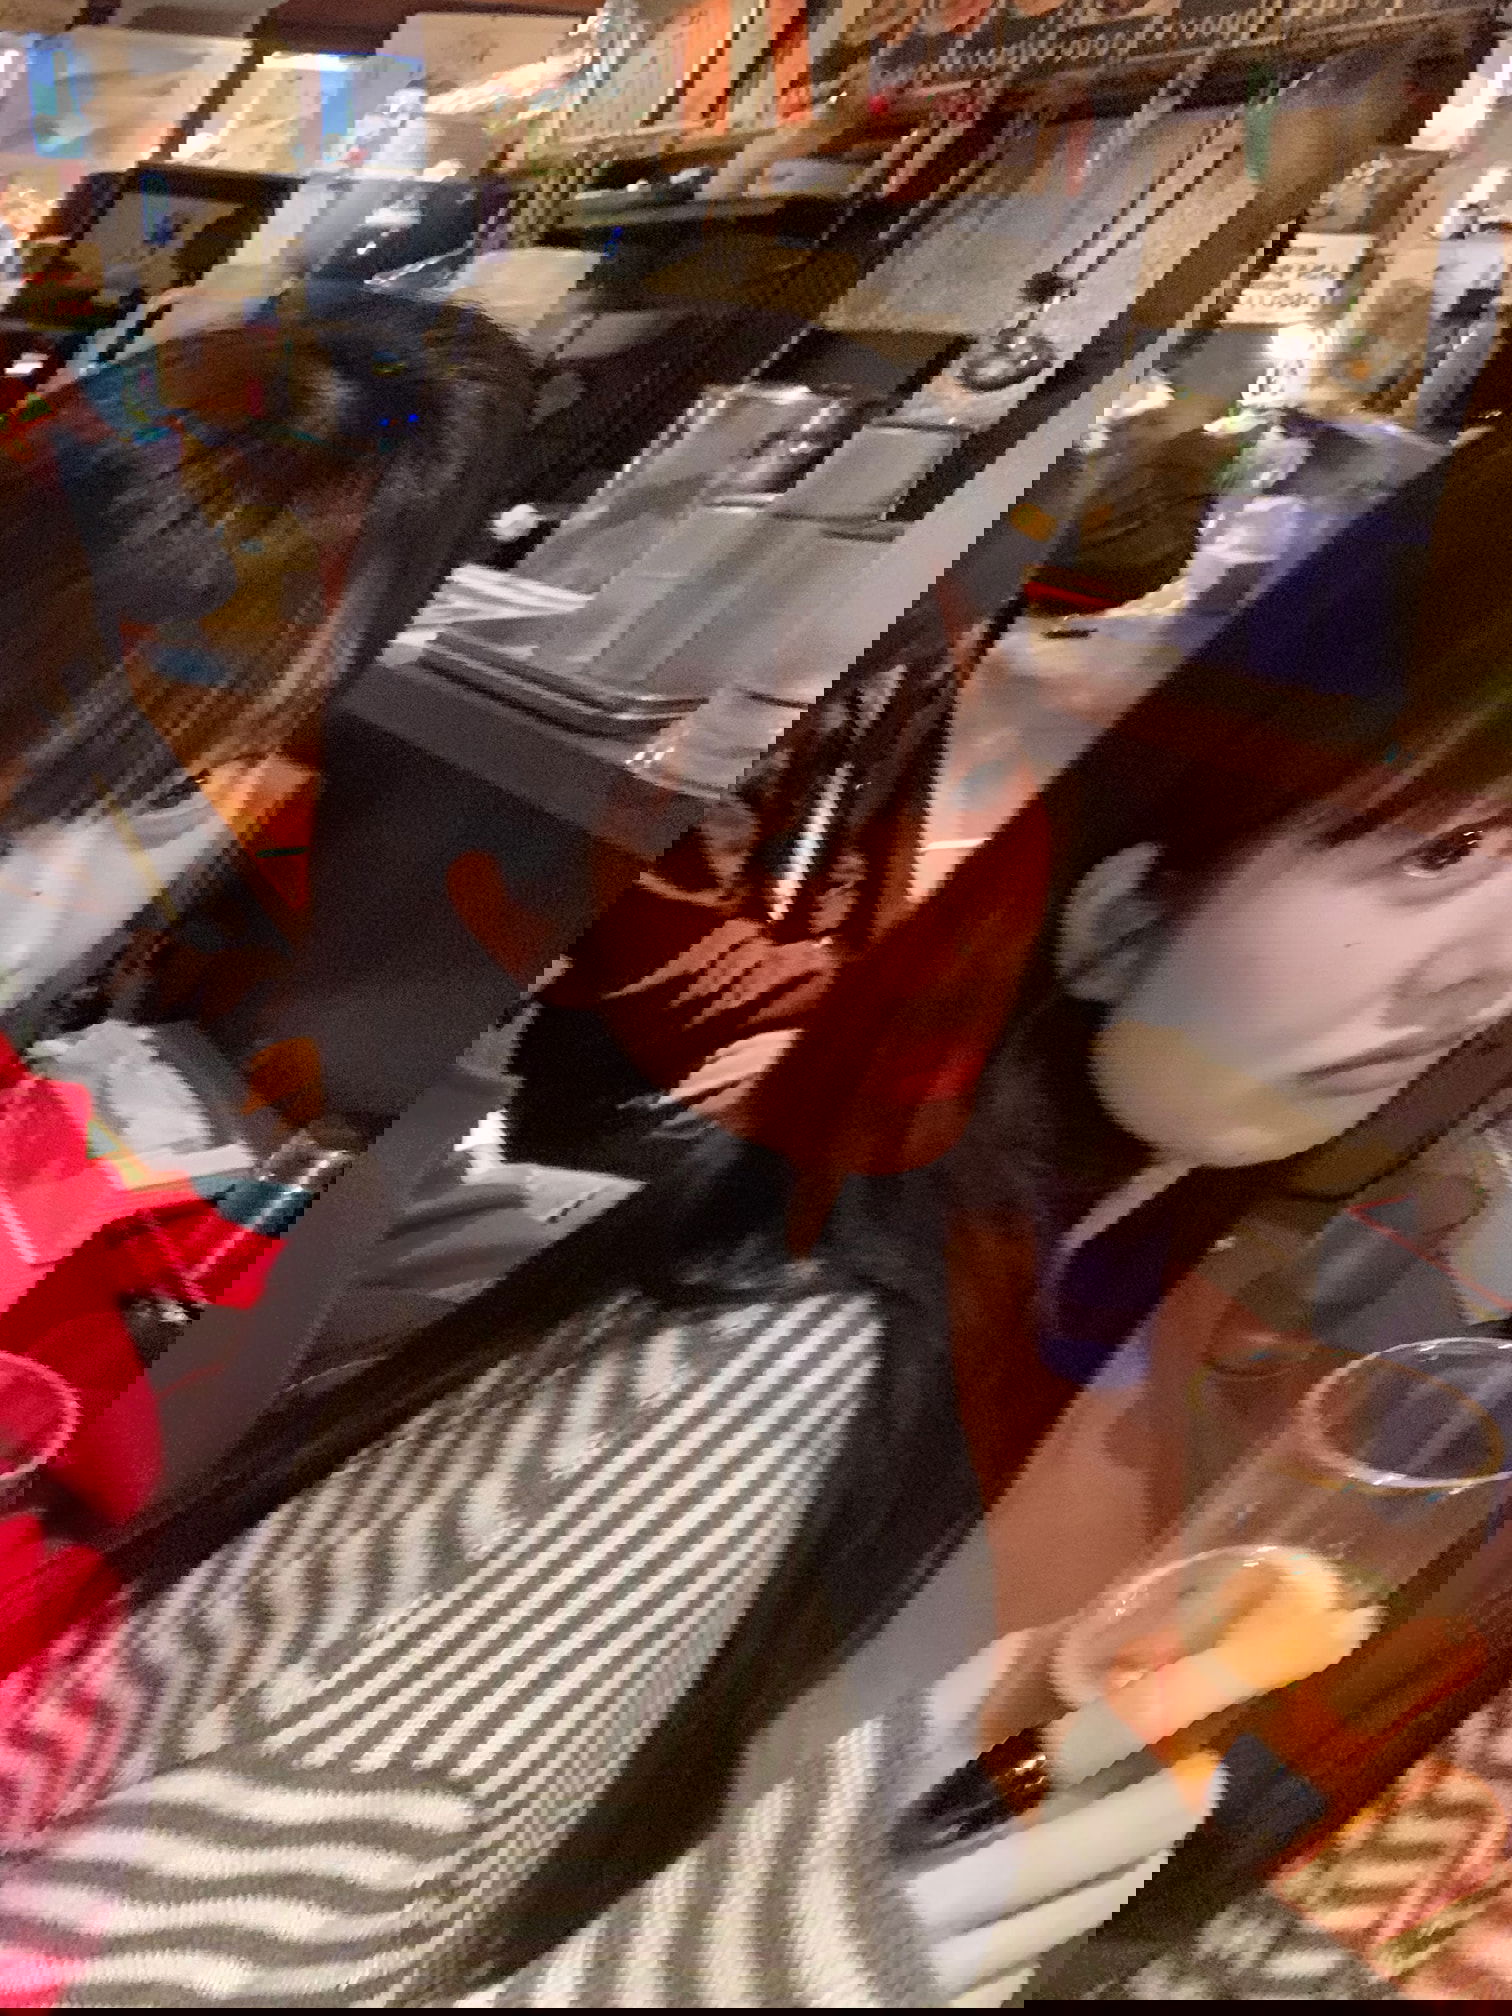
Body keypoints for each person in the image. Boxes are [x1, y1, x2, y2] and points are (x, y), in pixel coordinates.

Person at [5, 360, 1512, 2009]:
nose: (1480, 978)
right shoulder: (765, 1375)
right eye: (1443, 853)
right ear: (1142, 886)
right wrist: (813, 1941)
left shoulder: (1014, 1335)